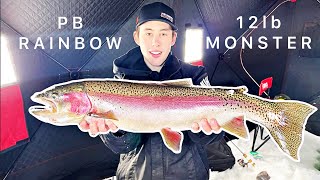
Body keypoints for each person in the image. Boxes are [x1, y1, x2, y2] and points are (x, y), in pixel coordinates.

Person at [79, 2, 224, 179]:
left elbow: (213, 137)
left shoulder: (195, 75)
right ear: (137, 37)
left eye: (163, 33)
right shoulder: (119, 84)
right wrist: (115, 131)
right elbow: (122, 147)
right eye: (148, 33)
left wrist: (206, 129)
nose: (155, 42)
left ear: (173, 38)